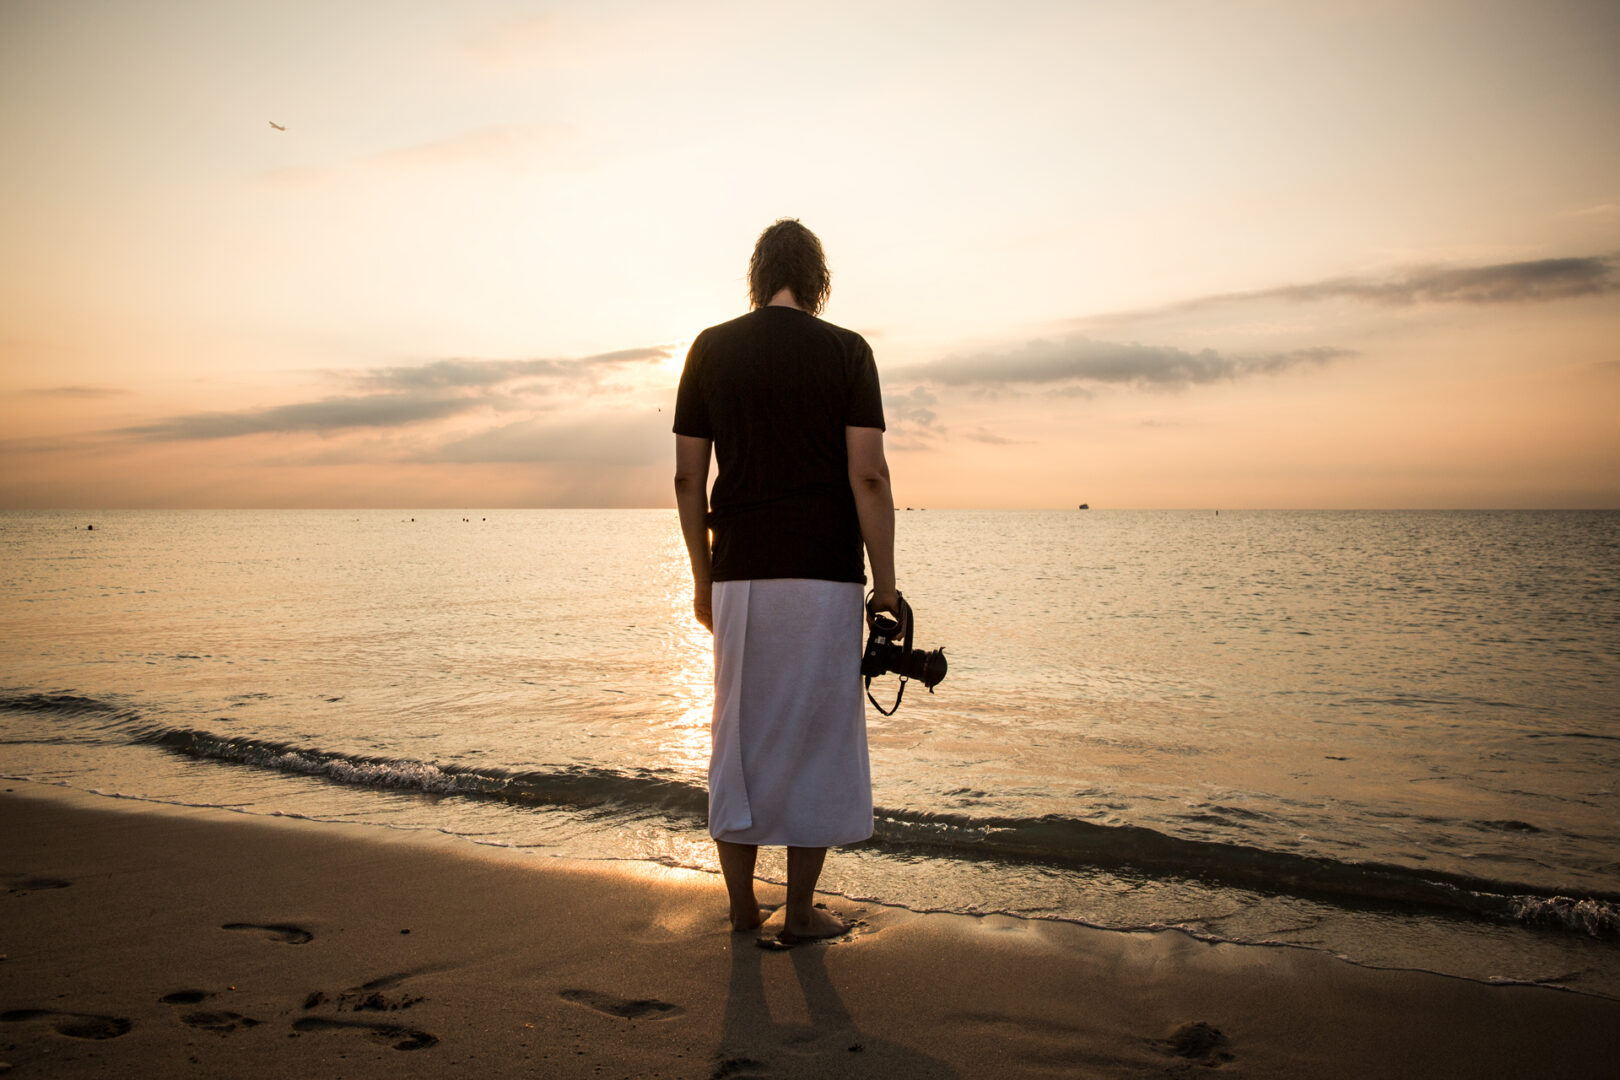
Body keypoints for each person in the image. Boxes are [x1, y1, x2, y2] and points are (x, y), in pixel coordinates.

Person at [672, 218, 899, 942]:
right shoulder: (847, 352)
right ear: (817, 279)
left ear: (757, 273)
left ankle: (742, 908)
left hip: (739, 569)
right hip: (826, 576)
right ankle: (799, 914)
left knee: (736, 734)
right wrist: (885, 588)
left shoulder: (710, 348)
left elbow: (686, 478)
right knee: (819, 735)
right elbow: (868, 473)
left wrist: (704, 582)